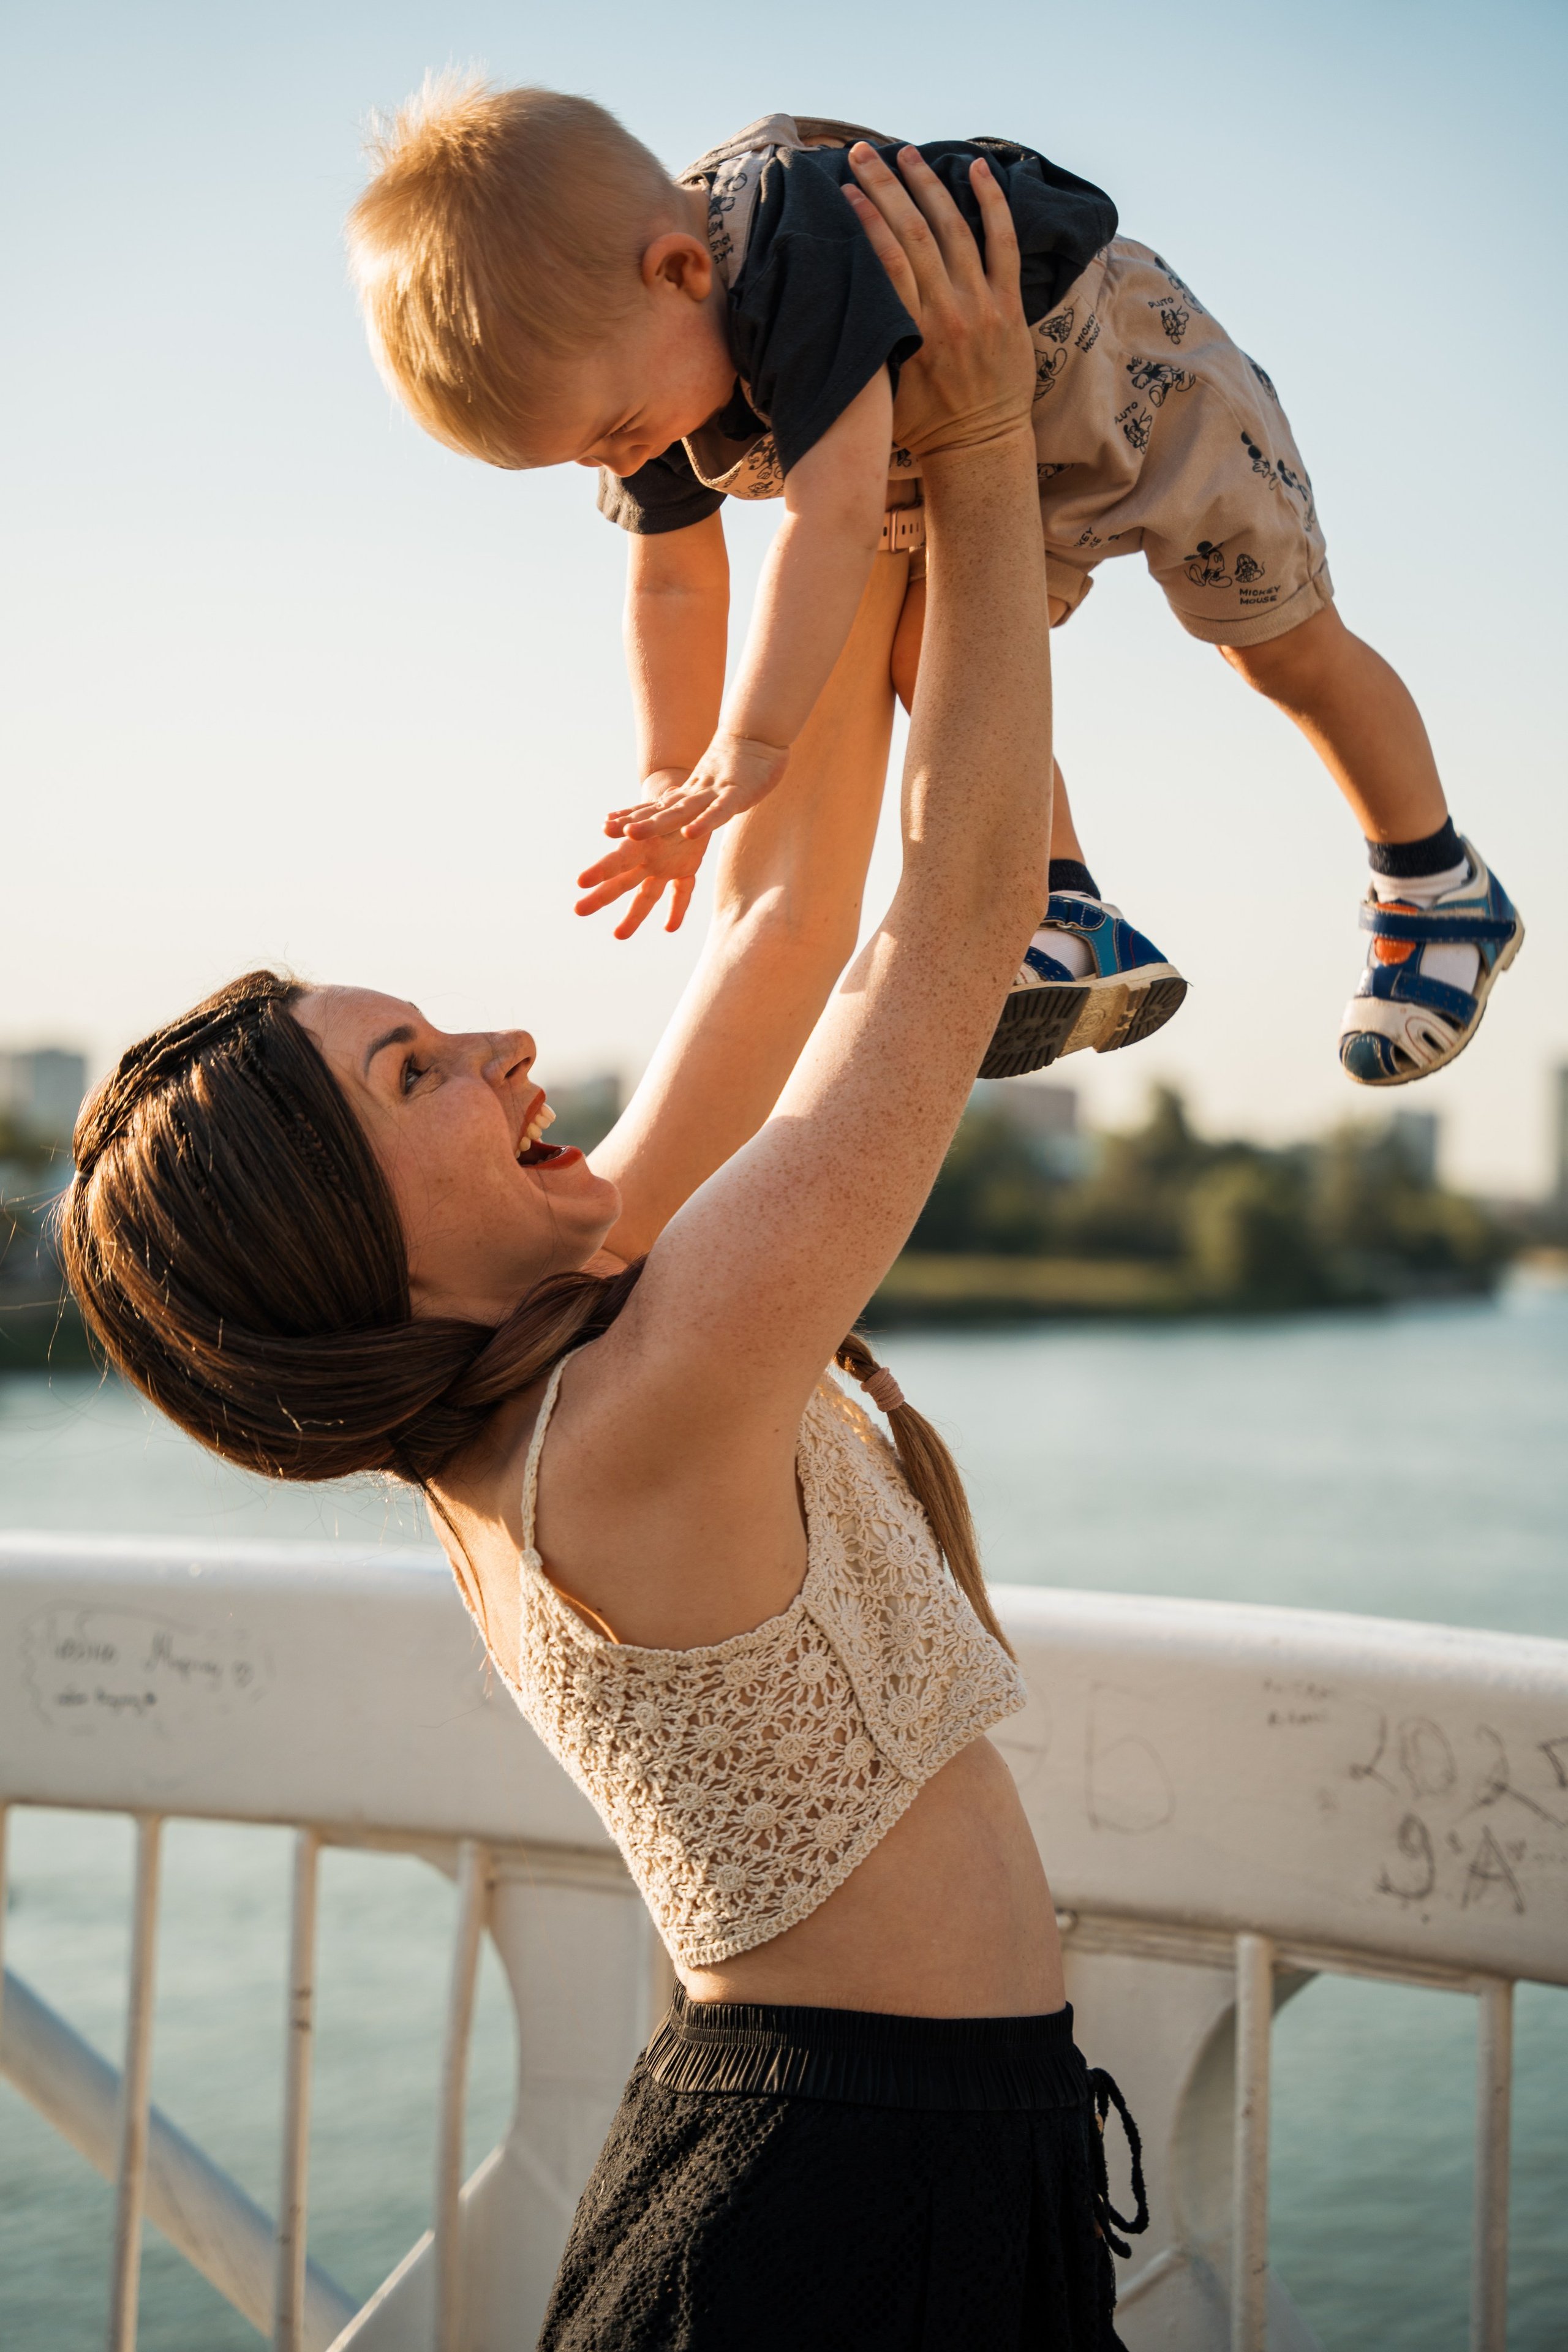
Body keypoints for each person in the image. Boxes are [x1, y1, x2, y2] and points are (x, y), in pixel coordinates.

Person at [61, 155, 1145, 2348]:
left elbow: (778, 918)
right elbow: (939, 947)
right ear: (342, 1248)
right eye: (417, 1076)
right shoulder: (639, 1415)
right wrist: (971, 440)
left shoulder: (554, 1355)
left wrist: (866, 482)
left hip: (892, 2153)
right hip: (836, 2216)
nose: (505, 1041)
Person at [348, 83, 1523, 1090]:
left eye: (614, 427)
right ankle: (1066, 910)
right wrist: (670, 764)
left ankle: (1434, 877)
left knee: (1280, 647)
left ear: (680, 269)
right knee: (935, 655)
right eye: (582, 454)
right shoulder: (639, 342)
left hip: (1136, 383)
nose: (617, 460)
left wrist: (752, 746)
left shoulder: (797, 254)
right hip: (978, 451)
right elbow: (666, 579)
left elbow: (834, 514)